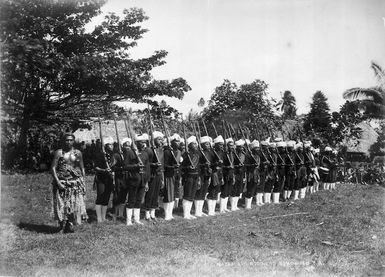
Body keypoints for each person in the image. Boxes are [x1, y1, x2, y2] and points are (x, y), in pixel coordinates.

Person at [51, 133, 87, 233]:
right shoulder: (59, 153)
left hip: (74, 182)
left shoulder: (78, 153)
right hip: (62, 182)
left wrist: (83, 181)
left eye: (71, 140)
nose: (69, 142)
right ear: (63, 141)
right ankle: (61, 225)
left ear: (74, 141)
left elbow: (82, 167)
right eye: (67, 140)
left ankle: (69, 224)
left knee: (73, 204)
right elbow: (53, 168)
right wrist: (58, 182)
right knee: (61, 204)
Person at [124, 134, 151, 225]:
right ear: (136, 143)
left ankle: (136, 219)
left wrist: (146, 181)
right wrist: (135, 166)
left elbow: (147, 168)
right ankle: (128, 220)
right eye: (141, 142)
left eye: (144, 142)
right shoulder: (130, 152)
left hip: (143, 180)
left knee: (139, 200)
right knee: (131, 199)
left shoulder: (145, 153)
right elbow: (126, 166)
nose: (143, 144)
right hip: (133, 179)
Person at [94, 136, 115, 223]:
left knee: (106, 197)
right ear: (105, 146)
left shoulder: (113, 155)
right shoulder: (99, 155)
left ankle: (103, 216)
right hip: (101, 178)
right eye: (109, 145)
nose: (111, 146)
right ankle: (99, 218)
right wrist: (104, 170)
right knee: (100, 197)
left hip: (109, 179)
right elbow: (96, 167)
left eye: (112, 144)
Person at [144, 131, 164, 221]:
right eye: (159, 139)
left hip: (158, 175)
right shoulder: (149, 150)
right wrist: (153, 164)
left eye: (162, 139)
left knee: (156, 194)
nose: (161, 141)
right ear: (154, 140)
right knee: (150, 194)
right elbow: (145, 163)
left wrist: (162, 178)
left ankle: (153, 213)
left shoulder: (160, 150)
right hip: (151, 174)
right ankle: (147, 214)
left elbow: (162, 165)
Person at [181, 136, 201, 219]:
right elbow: (181, 167)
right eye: (193, 144)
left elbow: (198, 166)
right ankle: (185, 214)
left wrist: (199, 176)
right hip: (188, 176)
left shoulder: (197, 154)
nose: (196, 145)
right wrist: (187, 168)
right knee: (187, 194)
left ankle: (189, 213)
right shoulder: (185, 155)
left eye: (196, 144)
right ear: (189, 145)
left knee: (192, 194)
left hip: (196, 176)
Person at [163, 134, 182, 220]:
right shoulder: (167, 152)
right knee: (168, 195)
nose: (177, 143)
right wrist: (172, 167)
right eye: (176, 141)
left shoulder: (179, 152)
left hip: (176, 175)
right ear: (172, 142)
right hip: (169, 175)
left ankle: (170, 213)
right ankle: (167, 214)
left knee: (173, 195)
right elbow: (165, 165)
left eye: (178, 141)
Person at [206, 135, 225, 216]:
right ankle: (210, 210)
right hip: (213, 174)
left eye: (222, 144)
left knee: (216, 191)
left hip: (220, 173)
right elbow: (208, 164)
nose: (221, 146)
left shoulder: (222, 153)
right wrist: (216, 163)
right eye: (220, 144)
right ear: (216, 144)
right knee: (212, 191)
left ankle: (213, 210)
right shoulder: (211, 152)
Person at [244, 139, 260, 209]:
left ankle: (249, 204)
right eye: (256, 148)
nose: (257, 149)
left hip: (256, 174)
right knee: (249, 189)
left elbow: (258, 166)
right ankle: (247, 205)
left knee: (253, 188)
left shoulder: (258, 156)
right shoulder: (248, 156)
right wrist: (252, 165)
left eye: (258, 148)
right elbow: (246, 165)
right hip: (250, 174)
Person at [230, 139, 246, 211]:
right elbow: (232, 164)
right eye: (240, 147)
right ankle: (232, 206)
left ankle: (235, 205)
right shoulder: (233, 154)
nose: (242, 148)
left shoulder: (243, 154)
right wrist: (237, 166)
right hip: (235, 173)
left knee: (238, 190)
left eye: (242, 147)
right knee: (234, 189)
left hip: (241, 173)